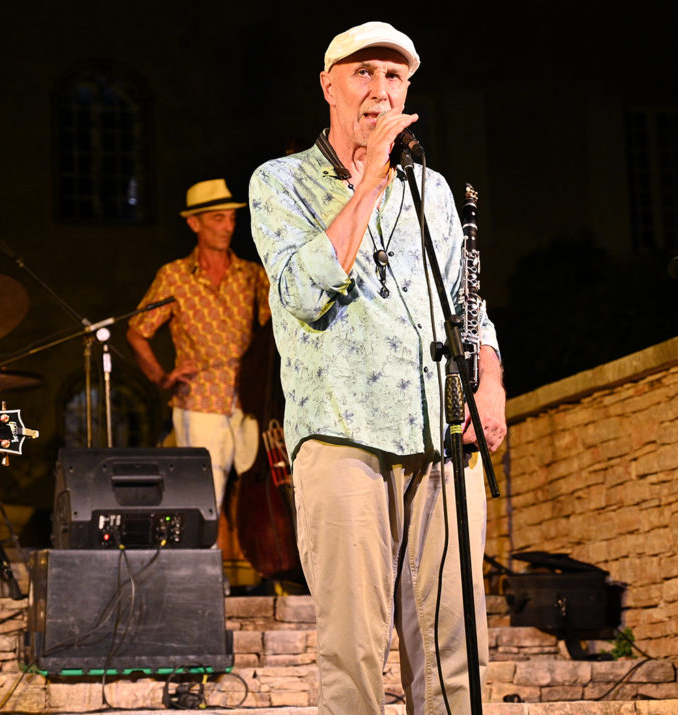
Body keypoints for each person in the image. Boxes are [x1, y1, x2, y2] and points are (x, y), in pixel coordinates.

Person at [249, 21, 506, 714]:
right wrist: (366, 184)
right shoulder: (281, 183)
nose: (380, 91)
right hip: (340, 435)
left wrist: (492, 383)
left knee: (457, 643)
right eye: (364, 74)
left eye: (394, 78)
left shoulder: (433, 191)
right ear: (329, 84)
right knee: (355, 648)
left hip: (440, 437)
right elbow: (301, 290)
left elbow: (468, 302)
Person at [127, 179, 270, 511]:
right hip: (200, 401)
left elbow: (272, 333)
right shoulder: (175, 275)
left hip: (248, 404)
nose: (228, 227)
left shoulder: (251, 273)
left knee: (254, 497)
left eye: (232, 219)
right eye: (218, 218)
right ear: (195, 223)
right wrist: (162, 377)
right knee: (203, 502)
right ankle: (200, 564)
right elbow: (137, 332)